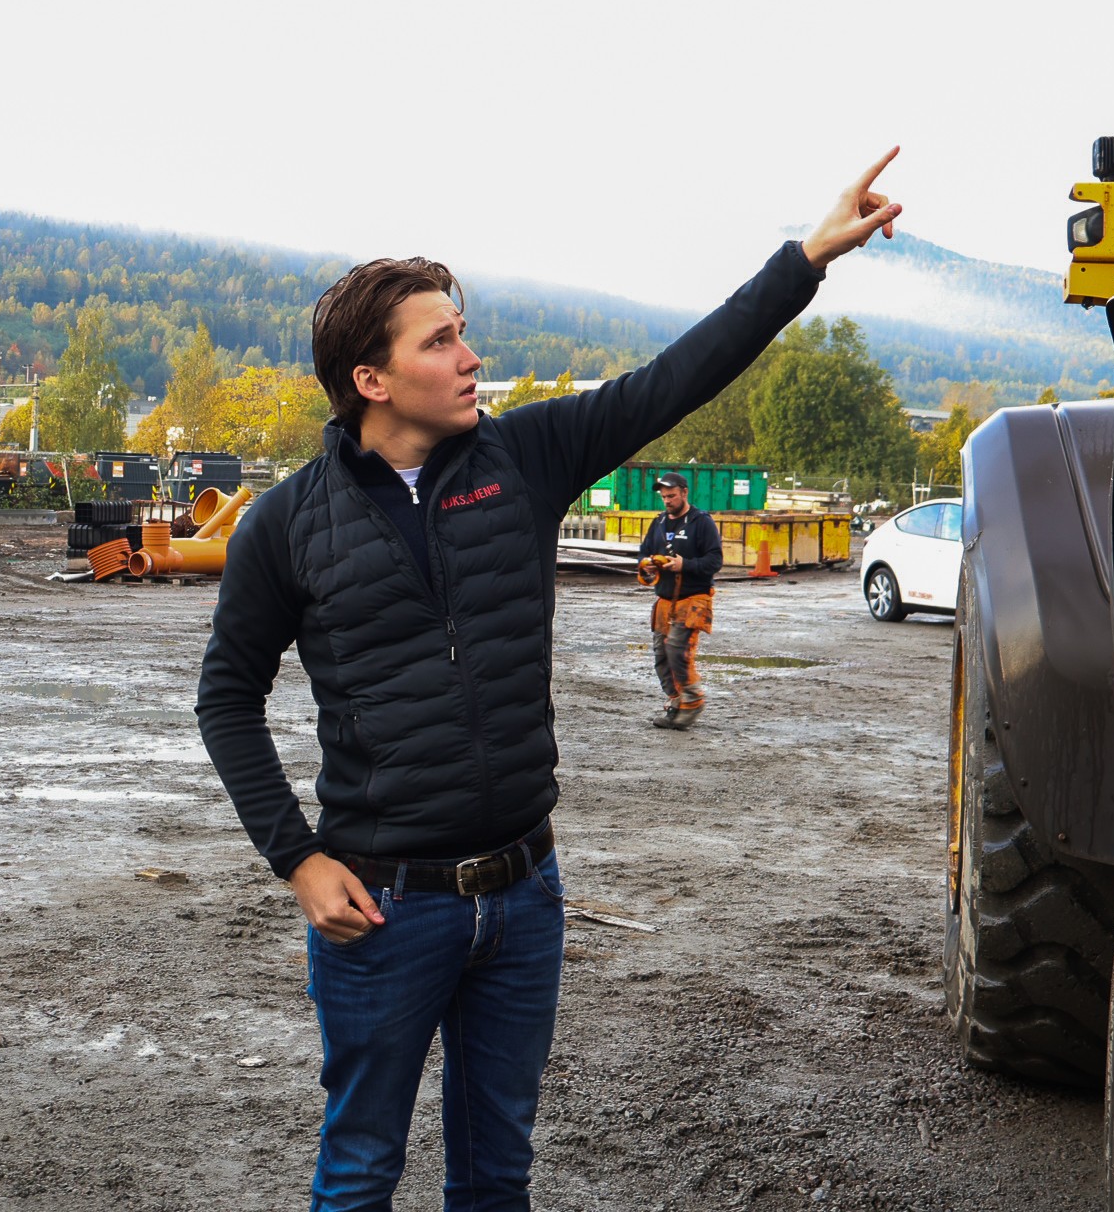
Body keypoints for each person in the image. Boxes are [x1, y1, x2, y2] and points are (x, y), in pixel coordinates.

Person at [196, 151, 903, 1210]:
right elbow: (226, 698)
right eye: (441, 340)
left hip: (524, 894)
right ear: (372, 381)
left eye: (463, 329)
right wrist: (297, 860)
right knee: (359, 1170)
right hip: (385, 907)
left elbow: (678, 375)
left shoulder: (523, 458)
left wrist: (805, 260)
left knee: (498, 1176)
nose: (472, 356)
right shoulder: (286, 525)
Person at [638, 473, 722, 730]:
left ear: (684, 493)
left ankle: (693, 701)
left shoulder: (702, 522)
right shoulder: (659, 523)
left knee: (677, 649)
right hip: (665, 601)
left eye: (672, 496)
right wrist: (646, 565)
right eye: (663, 497)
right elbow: (644, 552)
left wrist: (684, 565)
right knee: (661, 655)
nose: (667, 501)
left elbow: (715, 561)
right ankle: (676, 702)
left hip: (692, 599)